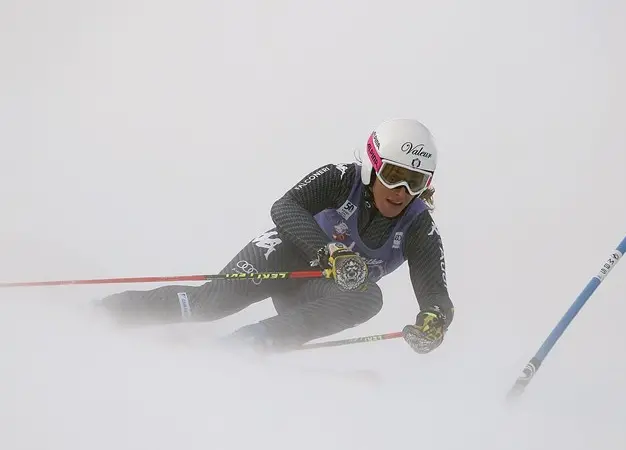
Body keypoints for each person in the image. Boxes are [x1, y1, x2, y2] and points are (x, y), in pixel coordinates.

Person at [97, 118, 454, 355]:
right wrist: (330, 252)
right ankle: (103, 315)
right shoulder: (341, 179)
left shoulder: (418, 225)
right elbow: (285, 208)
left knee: (369, 297)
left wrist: (434, 321)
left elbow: (435, 293)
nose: (402, 190)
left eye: (416, 181)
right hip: (282, 259)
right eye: (393, 175)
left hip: (313, 294)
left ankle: (247, 346)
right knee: (208, 306)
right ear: (373, 166)